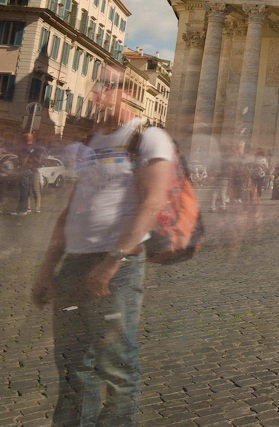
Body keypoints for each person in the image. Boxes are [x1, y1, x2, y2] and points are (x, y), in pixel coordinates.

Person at [31, 73, 175, 425]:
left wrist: (113, 261)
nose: (97, 91)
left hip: (117, 267)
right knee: (72, 363)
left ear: (129, 92)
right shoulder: (94, 141)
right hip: (75, 262)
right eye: (97, 84)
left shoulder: (149, 137)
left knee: (116, 363)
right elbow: (72, 207)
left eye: (106, 85)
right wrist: (48, 266)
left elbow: (153, 202)